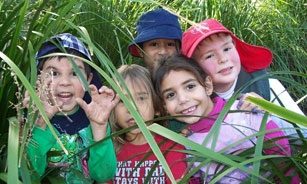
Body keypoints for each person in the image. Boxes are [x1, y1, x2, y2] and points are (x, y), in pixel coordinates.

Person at [151, 54, 300, 183]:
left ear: (207, 86)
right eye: (171, 95)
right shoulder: (185, 143)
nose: (183, 99)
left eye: (190, 86)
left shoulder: (245, 112)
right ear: (164, 107)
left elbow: (283, 157)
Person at [181, 18, 306, 137]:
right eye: (209, 56)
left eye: (227, 48)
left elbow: (303, 133)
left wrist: (269, 110)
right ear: (194, 68)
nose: (223, 59)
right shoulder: (190, 100)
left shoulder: (266, 84)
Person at [24, 33, 119, 183]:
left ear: (88, 80)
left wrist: (99, 127)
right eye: (54, 73)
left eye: (75, 73)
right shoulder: (31, 117)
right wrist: (40, 124)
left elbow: (104, 175)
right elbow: (26, 176)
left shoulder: (93, 118)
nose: (65, 82)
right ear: (38, 79)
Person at [105, 64, 187, 184]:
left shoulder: (172, 147)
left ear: (157, 107)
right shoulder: (109, 149)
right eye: (122, 100)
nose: (132, 108)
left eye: (141, 98)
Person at [128, 8, 186, 133]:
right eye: (154, 44)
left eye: (170, 44)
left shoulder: (189, 77)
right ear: (140, 50)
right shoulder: (136, 83)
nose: (163, 51)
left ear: (179, 48)